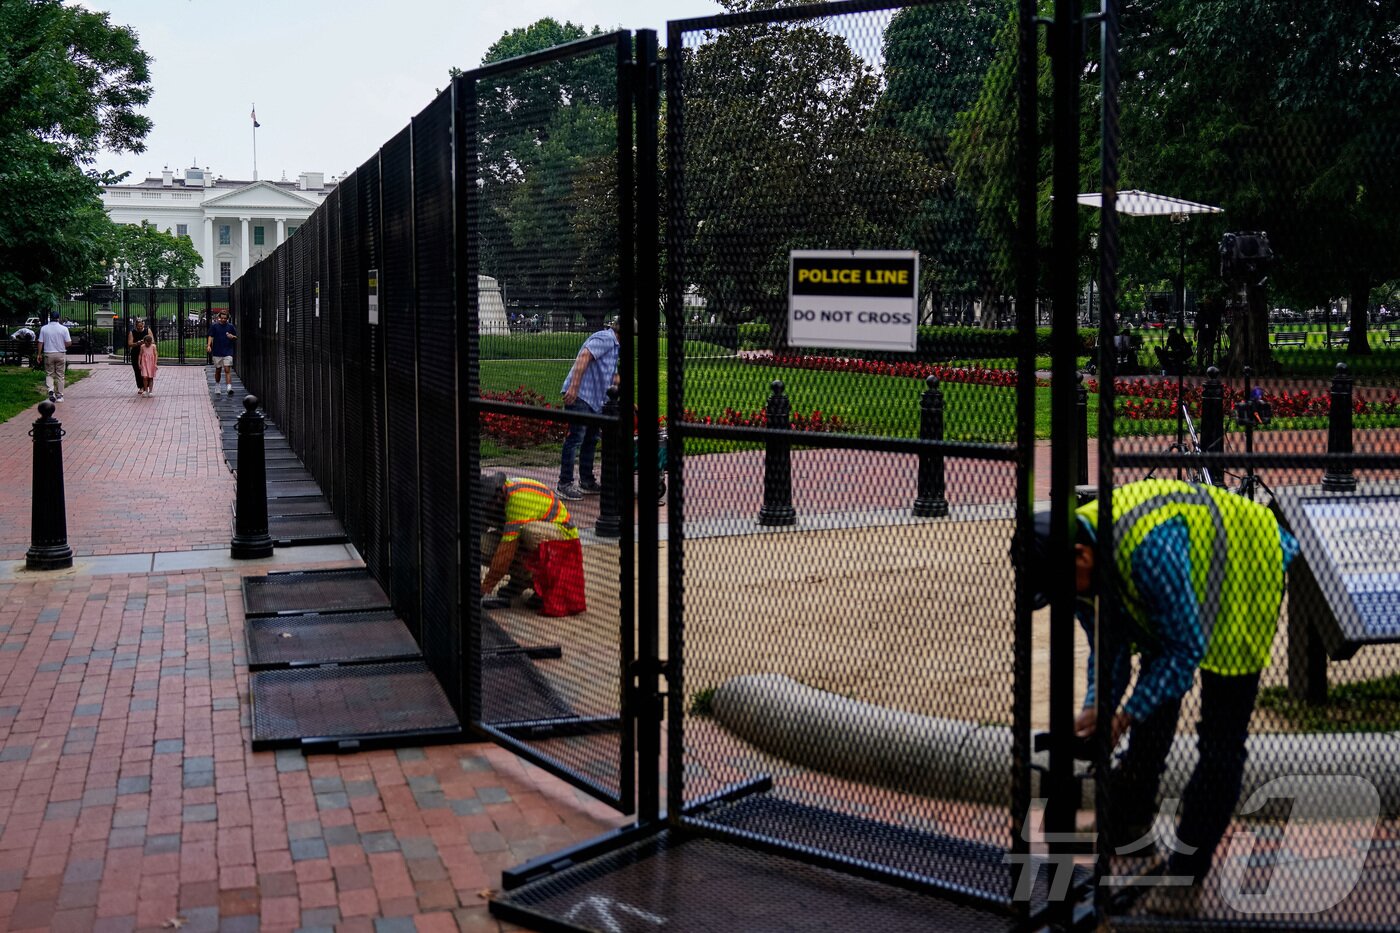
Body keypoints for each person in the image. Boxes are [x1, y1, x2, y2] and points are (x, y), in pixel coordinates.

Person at [1026, 479, 1299, 915]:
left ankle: (1186, 878)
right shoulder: (1077, 563)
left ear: (1081, 556)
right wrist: (1100, 706)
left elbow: (1184, 649)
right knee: (1154, 697)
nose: (1065, 599)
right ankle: (1133, 831)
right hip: (1182, 572)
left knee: (1220, 739)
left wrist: (1125, 713)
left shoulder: (1146, 552)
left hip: (1245, 567)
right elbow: (1107, 648)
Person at [478, 472, 579, 610]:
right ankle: (519, 581)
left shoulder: (517, 500)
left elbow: (505, 553)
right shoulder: (491, 504)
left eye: (489, 504)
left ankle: (547, 588)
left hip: (563, 539)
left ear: (499, 493)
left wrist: (485, 588)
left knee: (528, 532)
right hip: (531, 538)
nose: (488, 509)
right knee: (482, 545)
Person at [556, 317, 620, 500]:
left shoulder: (615, 347)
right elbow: (584, 356)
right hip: (581, 395)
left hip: (594, 400)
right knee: (576, 437)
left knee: (591, 438)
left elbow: (613, 376)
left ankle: (587, 481)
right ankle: (564, 483)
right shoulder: (606, 339)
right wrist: (574, 388)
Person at [37, 312, 71, 402]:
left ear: (50, 318)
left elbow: (40, 342)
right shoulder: (64, 329)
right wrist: (63, 345)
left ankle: (51, 390)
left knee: (49, 374)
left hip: (48, 353)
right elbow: (68, 342)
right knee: (60, 375)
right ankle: (60, 396)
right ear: (58, 318)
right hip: (60, 353)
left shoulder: (44, 329)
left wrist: (39, 354)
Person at [207, 310, 237, 395]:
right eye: (222, 318)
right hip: (217, 351)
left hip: (228, 351)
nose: (223, 320)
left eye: (225, 318)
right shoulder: (215, 326)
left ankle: (229, 387)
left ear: (227, 318)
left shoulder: (230, 327)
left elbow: (235, 337)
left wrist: (232, 337)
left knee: (227, 369)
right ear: (219, 317)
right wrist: (209, 345)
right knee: (218, 370)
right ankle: (217, 385)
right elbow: (210, 336)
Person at [127, 318, 155, 393]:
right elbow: (130, 344)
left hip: (146, 353)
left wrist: (146, 343)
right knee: (137, 370)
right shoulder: (132, 332)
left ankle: (148, 386)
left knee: (147, 370)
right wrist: (137, 343)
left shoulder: (147, 330)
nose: (139, 327)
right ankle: (141, 387)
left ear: (143, 325)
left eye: (141, 326)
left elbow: (152, 341)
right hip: (136, 353)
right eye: (138, 326)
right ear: (135, 325)